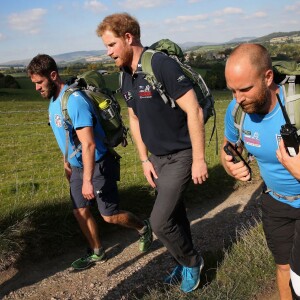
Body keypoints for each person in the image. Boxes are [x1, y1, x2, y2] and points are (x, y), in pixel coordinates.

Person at [96, 13, 208, 293]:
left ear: (128, 38)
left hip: (181, 155)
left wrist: (198, 159)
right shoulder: (125, 76)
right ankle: (183, 261)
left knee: (159, 222)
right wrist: (144, 159)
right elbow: (134, 119)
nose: (108, 52)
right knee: (175, 214)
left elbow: (193, 110)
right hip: (157, 159)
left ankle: (193, 261)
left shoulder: (161, 65)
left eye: (111, 45)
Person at [27, 54, 152, 270]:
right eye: (34, 83)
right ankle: (97, 252)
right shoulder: (53, 101)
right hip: (77, 166)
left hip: (98, 165)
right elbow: (65, 136)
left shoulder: (73, 101)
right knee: (79, 210)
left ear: (53, 75)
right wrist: (66, 162)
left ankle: (143, 227)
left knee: (109, 215)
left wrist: (87, 181)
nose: (37, 88)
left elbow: (89, 145)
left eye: (39, 82)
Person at [221, 43, 300, 300]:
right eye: (232, 90)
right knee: (284, 267)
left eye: (245, 89)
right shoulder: (237, 112)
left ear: (267, 77)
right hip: (275, 203)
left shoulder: (295, 107)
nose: (238, 98)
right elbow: (228, 146)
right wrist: (229, 162)